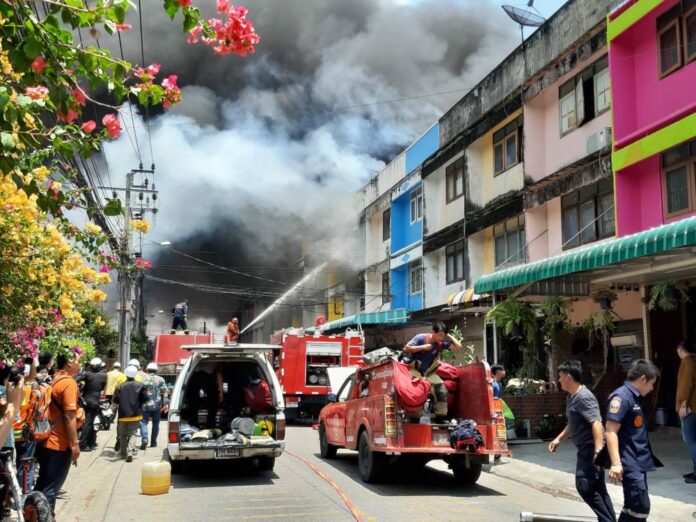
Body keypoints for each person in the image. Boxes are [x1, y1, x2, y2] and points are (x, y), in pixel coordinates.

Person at [549, 360, 615, 522]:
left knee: (585, 486)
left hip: (591, 449)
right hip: (585, 449)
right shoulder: (572, 397)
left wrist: (599, 450)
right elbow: (573, 424)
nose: (558, 379)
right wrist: (559, 439)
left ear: (569, 377)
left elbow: (596, 422)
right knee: (598, 488)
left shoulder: (584, 397)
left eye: (560, 376)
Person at [605, 359, 661, 522]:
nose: (651, 389)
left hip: (638, 460)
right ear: (642, 379)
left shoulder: (634, 397)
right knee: (640, 505)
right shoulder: (621, 397)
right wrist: (616, 463)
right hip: (629, 462)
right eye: (651, 383)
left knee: (632, 506)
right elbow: (610, 431)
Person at [35, 350, 82, 518]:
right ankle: (47, 517)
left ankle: (35, 516)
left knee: (42, 484)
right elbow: (69, 416)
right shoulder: (69, 383)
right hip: (59, 444)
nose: (80, 364)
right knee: (50, 488)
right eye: (77, 360)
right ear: (69, 362)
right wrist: (74, 444)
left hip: (44, 440)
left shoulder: (53, 379)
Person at [403, 322, 462, 418]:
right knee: (418, 391)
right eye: (440, 335)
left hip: (428, 372)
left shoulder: (440, 344)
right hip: (414, 369)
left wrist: (449, 336)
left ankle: (440, 417)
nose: (441, 338)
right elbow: (406, 348)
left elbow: (458, 346)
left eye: (443, 336)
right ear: (433, 332)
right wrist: (423, 347)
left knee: (442, 391)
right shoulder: (421, 338)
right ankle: (414, 417)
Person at [113, 366, 147, 462]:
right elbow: (145, 398)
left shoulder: (120, 386)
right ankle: (131, 452)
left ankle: (123, 453)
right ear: (135, 374)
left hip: (123, 415)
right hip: (135, 414)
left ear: (126, 374)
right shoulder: (141, 385)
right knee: (133, 433)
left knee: (123, 435)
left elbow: (116, 400)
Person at [676, 339, 696, 483]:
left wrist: (683, 404)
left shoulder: (687, 362)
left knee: (690, 440)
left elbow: (685, 385)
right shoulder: (693, 361)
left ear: (681, 350)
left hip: (690, 407)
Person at [76, 357, 107, 451]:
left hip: (85, 401)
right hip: (95, 401)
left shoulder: (86, 374)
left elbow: (75, 380)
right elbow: (102, 387)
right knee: (89, 423)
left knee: (86, 422)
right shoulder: (104, 375)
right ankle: (83, 443)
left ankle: (87, 441)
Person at [139, 363, 169, 450]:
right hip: (157, 406)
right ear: (156, 370)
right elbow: (165, 392)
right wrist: (166, 403)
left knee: (143, 422)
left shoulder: (143, 379)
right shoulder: (161, 379)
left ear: (147, 370)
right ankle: (153, 442)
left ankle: (145, 438)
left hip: (145, 405)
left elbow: (139, 392)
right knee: (156, 424)